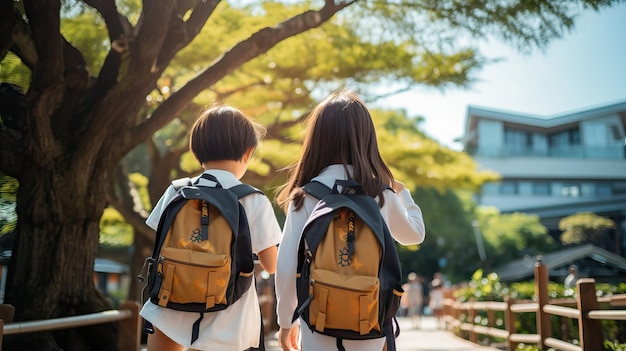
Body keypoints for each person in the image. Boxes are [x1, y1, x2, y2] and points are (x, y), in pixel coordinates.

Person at [274, 89, 426, 351]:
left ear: (318, 140)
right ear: (366, 138)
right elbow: (415, 234)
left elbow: (287, 266)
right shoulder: (380, 194)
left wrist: (286, 322)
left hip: (316, 324)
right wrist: (402, 192)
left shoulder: (305, 197)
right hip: (370, 325)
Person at [140, 104, 282, 351]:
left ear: (196, 152)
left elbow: (161, 241)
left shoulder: (176, 190)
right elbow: (272, 265)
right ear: (248, 152)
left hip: (170, 304)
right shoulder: (252, 199)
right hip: (228, 316)